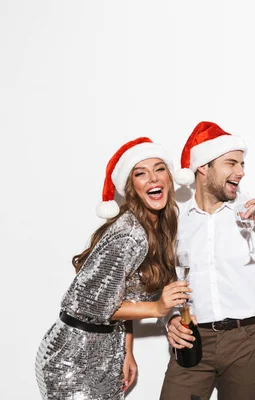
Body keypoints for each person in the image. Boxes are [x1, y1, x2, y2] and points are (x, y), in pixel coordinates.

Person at [35, 137, 191, 400]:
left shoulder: (159, 227)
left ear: (170, 177)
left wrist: (126, 350)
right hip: (73, 359)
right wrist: (157, 308)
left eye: (159, 169)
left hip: (108, 350)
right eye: (141, 173)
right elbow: (90, 306)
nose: (153, 178)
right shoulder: (129, 234)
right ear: (131, 188)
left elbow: (123, 294)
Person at [160, 121, 255, 400]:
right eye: (231, 163)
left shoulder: (254, 215)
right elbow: (168, 283)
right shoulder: (176, 222)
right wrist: (171, 319)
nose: (241, 172)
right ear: (203, 168)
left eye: (242, 164)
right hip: (193, 338)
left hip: (246, 342)